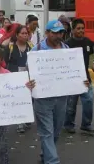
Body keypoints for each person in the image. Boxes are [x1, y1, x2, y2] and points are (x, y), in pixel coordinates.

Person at [30, 20, 89, 164]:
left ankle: (46, 155)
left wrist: (82, 81)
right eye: (55, 32)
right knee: (47, 131)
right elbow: (28, 73)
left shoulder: (67, 49)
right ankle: (52, 161)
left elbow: (74, 72)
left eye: (61, 32)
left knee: (56, 131)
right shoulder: (36, 50)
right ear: (47, 33)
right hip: (43, 99)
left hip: (62, 98)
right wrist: (29, 81)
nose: (58, 35)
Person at [64, 18, 94, 134]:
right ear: (73, 30)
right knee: (71, 104)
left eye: (82, 28)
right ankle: (68, 124)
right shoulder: (67, 44)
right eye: (78, 28)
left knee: (89, 101)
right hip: (71, 79)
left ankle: (86, 124)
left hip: (85, 78)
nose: (81, 30)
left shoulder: (88, 42)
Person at [4, 25, 33, 133]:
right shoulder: (10, 47)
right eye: (22, 33)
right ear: (17, 35)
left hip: (27, 77)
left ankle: (27, 118)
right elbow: (4, 62)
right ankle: (20, 123)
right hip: (14, 77)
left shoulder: (31, 46)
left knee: (28, 99)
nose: (25, 35)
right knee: (18, 99)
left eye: (26, 33)